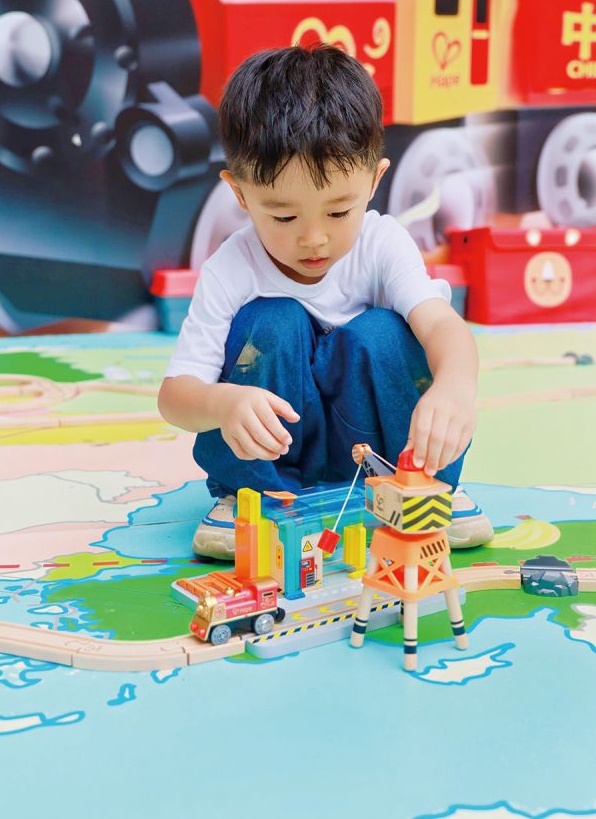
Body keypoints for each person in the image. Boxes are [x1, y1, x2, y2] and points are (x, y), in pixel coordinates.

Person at [158, 45, 493, 559]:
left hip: (376, 451)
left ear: (375, 180)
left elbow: (442, 326)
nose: (313, 239)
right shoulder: (230, 268)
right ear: (240, 194)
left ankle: (422, 487)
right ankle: (249, 498)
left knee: (386, 331)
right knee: (270, 321)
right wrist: (222, 403)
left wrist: (456, 386)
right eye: (284, 217)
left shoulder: (384, 244)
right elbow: (175, 396)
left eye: (338, 212)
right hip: (275, 455)